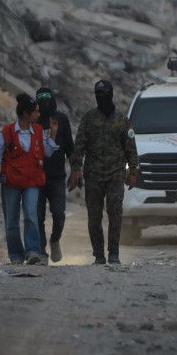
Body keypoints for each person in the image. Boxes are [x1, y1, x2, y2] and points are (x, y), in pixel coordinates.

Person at [68, 80, 138, 265]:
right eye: (98, 94)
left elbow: (130, 147)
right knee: (94, 216)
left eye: (104, 94)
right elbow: (79, 145)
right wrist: (76, 168)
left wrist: (133, 171)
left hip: (116, 173)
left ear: (111, 95)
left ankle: (114, 253)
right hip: (93, 175)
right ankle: (99, 255)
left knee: (115, 214)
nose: (101, 97)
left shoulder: (122, 119)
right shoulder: (89, 118)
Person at [0, 94, 60, 265]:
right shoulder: (7, 131)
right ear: (26, 114)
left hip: (32, 182)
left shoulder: (38, 131)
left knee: (30, 215)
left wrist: (53, 134)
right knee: (11, 220)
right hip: (11, 182)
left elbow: (48, 152)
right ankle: (16, 255)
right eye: (36, 112)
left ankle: (32, 252)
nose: (39, 114)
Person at [35, 87, 73, 263]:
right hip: (36, 177)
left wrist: (76, 169)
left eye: (47, 99)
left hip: (57, 177)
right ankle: (41, 252)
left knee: (59, 214)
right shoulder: (34, 121)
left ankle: (55, 240)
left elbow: (70, 147)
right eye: (41, 100)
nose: (45, 103)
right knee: (38, 216)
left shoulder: (61, 119)